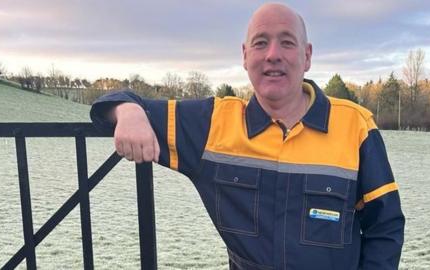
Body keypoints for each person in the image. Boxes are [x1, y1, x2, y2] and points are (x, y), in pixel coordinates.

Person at [90, 3, 405, 269]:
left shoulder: (355, 125)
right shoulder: (214, 124)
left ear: (307, 56)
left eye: (287, 42)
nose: (272, 54)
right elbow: (116, 102)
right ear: (245, 56)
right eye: (260, 43)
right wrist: (128, 112)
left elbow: (385, 225)